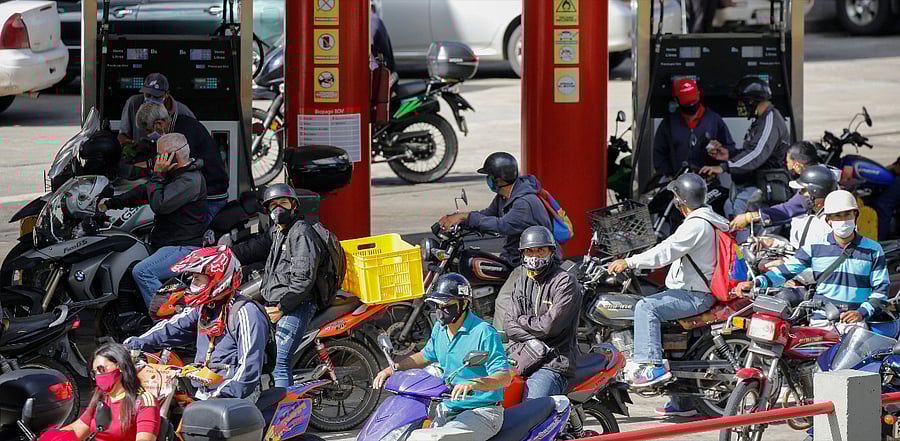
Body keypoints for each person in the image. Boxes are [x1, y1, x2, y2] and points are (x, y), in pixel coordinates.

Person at [607, 173, 731, 417]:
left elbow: (666, 251)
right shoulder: (709, 219)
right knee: (672, 335)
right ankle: (682, 403)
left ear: (680, 200)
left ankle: (650, 365)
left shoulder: (696, 224)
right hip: (693, 291)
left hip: (695, 295)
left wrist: (629, 262)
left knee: (646, 307)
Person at [373, 273, 511, 440]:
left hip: (482, 412)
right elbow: (425, 355)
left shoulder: (484, 332)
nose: (440, 311)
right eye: (436, 305)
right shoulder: (440, 329)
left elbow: (504, 377)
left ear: (464, 303)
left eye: (446, 305)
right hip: (447, 408)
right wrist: (392, 368)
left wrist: (473, 384)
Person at [124, 247, 269, 401]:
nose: (193, 284)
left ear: (218, 278)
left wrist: (219, 397)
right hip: (203, 392)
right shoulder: (204, 307)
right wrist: (130, 346)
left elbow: (248, 369)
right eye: (193, 278)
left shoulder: (245, 312)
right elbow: (170, 327)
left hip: (236, 397)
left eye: (198, 279)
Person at [737, 190, 889, 331]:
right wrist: (755, 283)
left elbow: (881, 291)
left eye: (847, 214)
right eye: (837, 216)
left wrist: (861, 313)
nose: (843, 220)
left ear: (856, 216)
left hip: (855, 323)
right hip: (821, 320)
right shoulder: (814, 246)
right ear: (828, 220)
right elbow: (785, 271)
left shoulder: (873, 249)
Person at [438, 152, 552, 333]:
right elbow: (487, 214)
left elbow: (503, 225)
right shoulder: (505, 196)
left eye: (489, 177)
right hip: (514, 256)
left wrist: (468, 218)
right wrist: (460, 219)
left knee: (504, 301)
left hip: (534, 261)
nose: (488, 181)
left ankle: (502, 350)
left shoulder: (524, 202)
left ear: (498, 179)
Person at [228, 184, 326, 388]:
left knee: (279, 363)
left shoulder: (301, 233)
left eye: (283, 203)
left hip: (297, 304)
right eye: (273, 205)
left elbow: (303, 279)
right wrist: (225, 254)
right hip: (276, 299)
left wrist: (282, 308)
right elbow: (253, 248)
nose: (278, 209)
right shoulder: (279, 231)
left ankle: (287, 416)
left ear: (293, 206)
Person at [101, 133, 207, 307]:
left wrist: (158, 173)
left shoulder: (190, 180)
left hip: (182, 247)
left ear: (172, 155)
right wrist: (109, 203)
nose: (156, 159)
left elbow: (159, 204)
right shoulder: (176, 174)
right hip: (165, 243)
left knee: (142, 272)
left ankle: (168, 323)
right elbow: (145, 191)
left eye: (159, 154)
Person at [701, 77, 791, 243]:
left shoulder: (770, 120)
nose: (740, 106)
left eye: (743, 101)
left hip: (768, 186)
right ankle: (739, 250)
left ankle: (742, 254)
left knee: (740, 207)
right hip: (755, 182)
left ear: (752, 101)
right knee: (729, 205)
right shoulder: (760, 121)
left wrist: (725, 167)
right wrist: (729, 154)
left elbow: (758, 153)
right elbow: (750, 151)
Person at [504, 226, 580, 399]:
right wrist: (532, 339)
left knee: (531, 409)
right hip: (523, 356)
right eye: (530, 251)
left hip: (554, 362)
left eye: (541, 250)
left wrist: (521, 320)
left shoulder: (564, 282)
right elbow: (508, 325)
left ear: (551, 252)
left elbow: (549, 327)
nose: (535, 256)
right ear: (523, 254)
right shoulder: (522, 281)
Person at [136, 101, 229, 227]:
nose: (148, 135)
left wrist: (148, 169)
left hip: (211, 195)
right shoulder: (178, 125)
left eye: (148, 130)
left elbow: (166, 163)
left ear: (159, 123)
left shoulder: (183, 132)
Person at [58, 343, 160, 441]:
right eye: (94, 373)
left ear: (119, 366)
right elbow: (79, 428)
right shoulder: (101, 396)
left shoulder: (144, 401)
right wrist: (51, 437)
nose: (98, 375)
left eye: (101, 369)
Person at [729, 141, 836, 232]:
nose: (786, 166)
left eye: (787, 162)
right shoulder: (827, 174)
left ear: (797, 165)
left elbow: (788, 209)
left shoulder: (814, 183)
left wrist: (749, 217)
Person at [653, 79, 734, 177]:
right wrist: (669, 176)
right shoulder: (668, 123)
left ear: (698, 94)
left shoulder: (714, 120)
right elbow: (659, 154)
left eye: (693, 101)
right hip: (678, 183)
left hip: (708, 181)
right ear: (676, 101)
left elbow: (730, 149)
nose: (691, 105)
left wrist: (720, 150)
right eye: (687, 103)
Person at [118, 73, 195, 146]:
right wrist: (133, 146)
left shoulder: (182, 111)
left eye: (156, 96)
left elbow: (194, 138)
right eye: (148, 95)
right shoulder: (133, 103)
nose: (151, 99)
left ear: (167, 94)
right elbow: (122, 135)